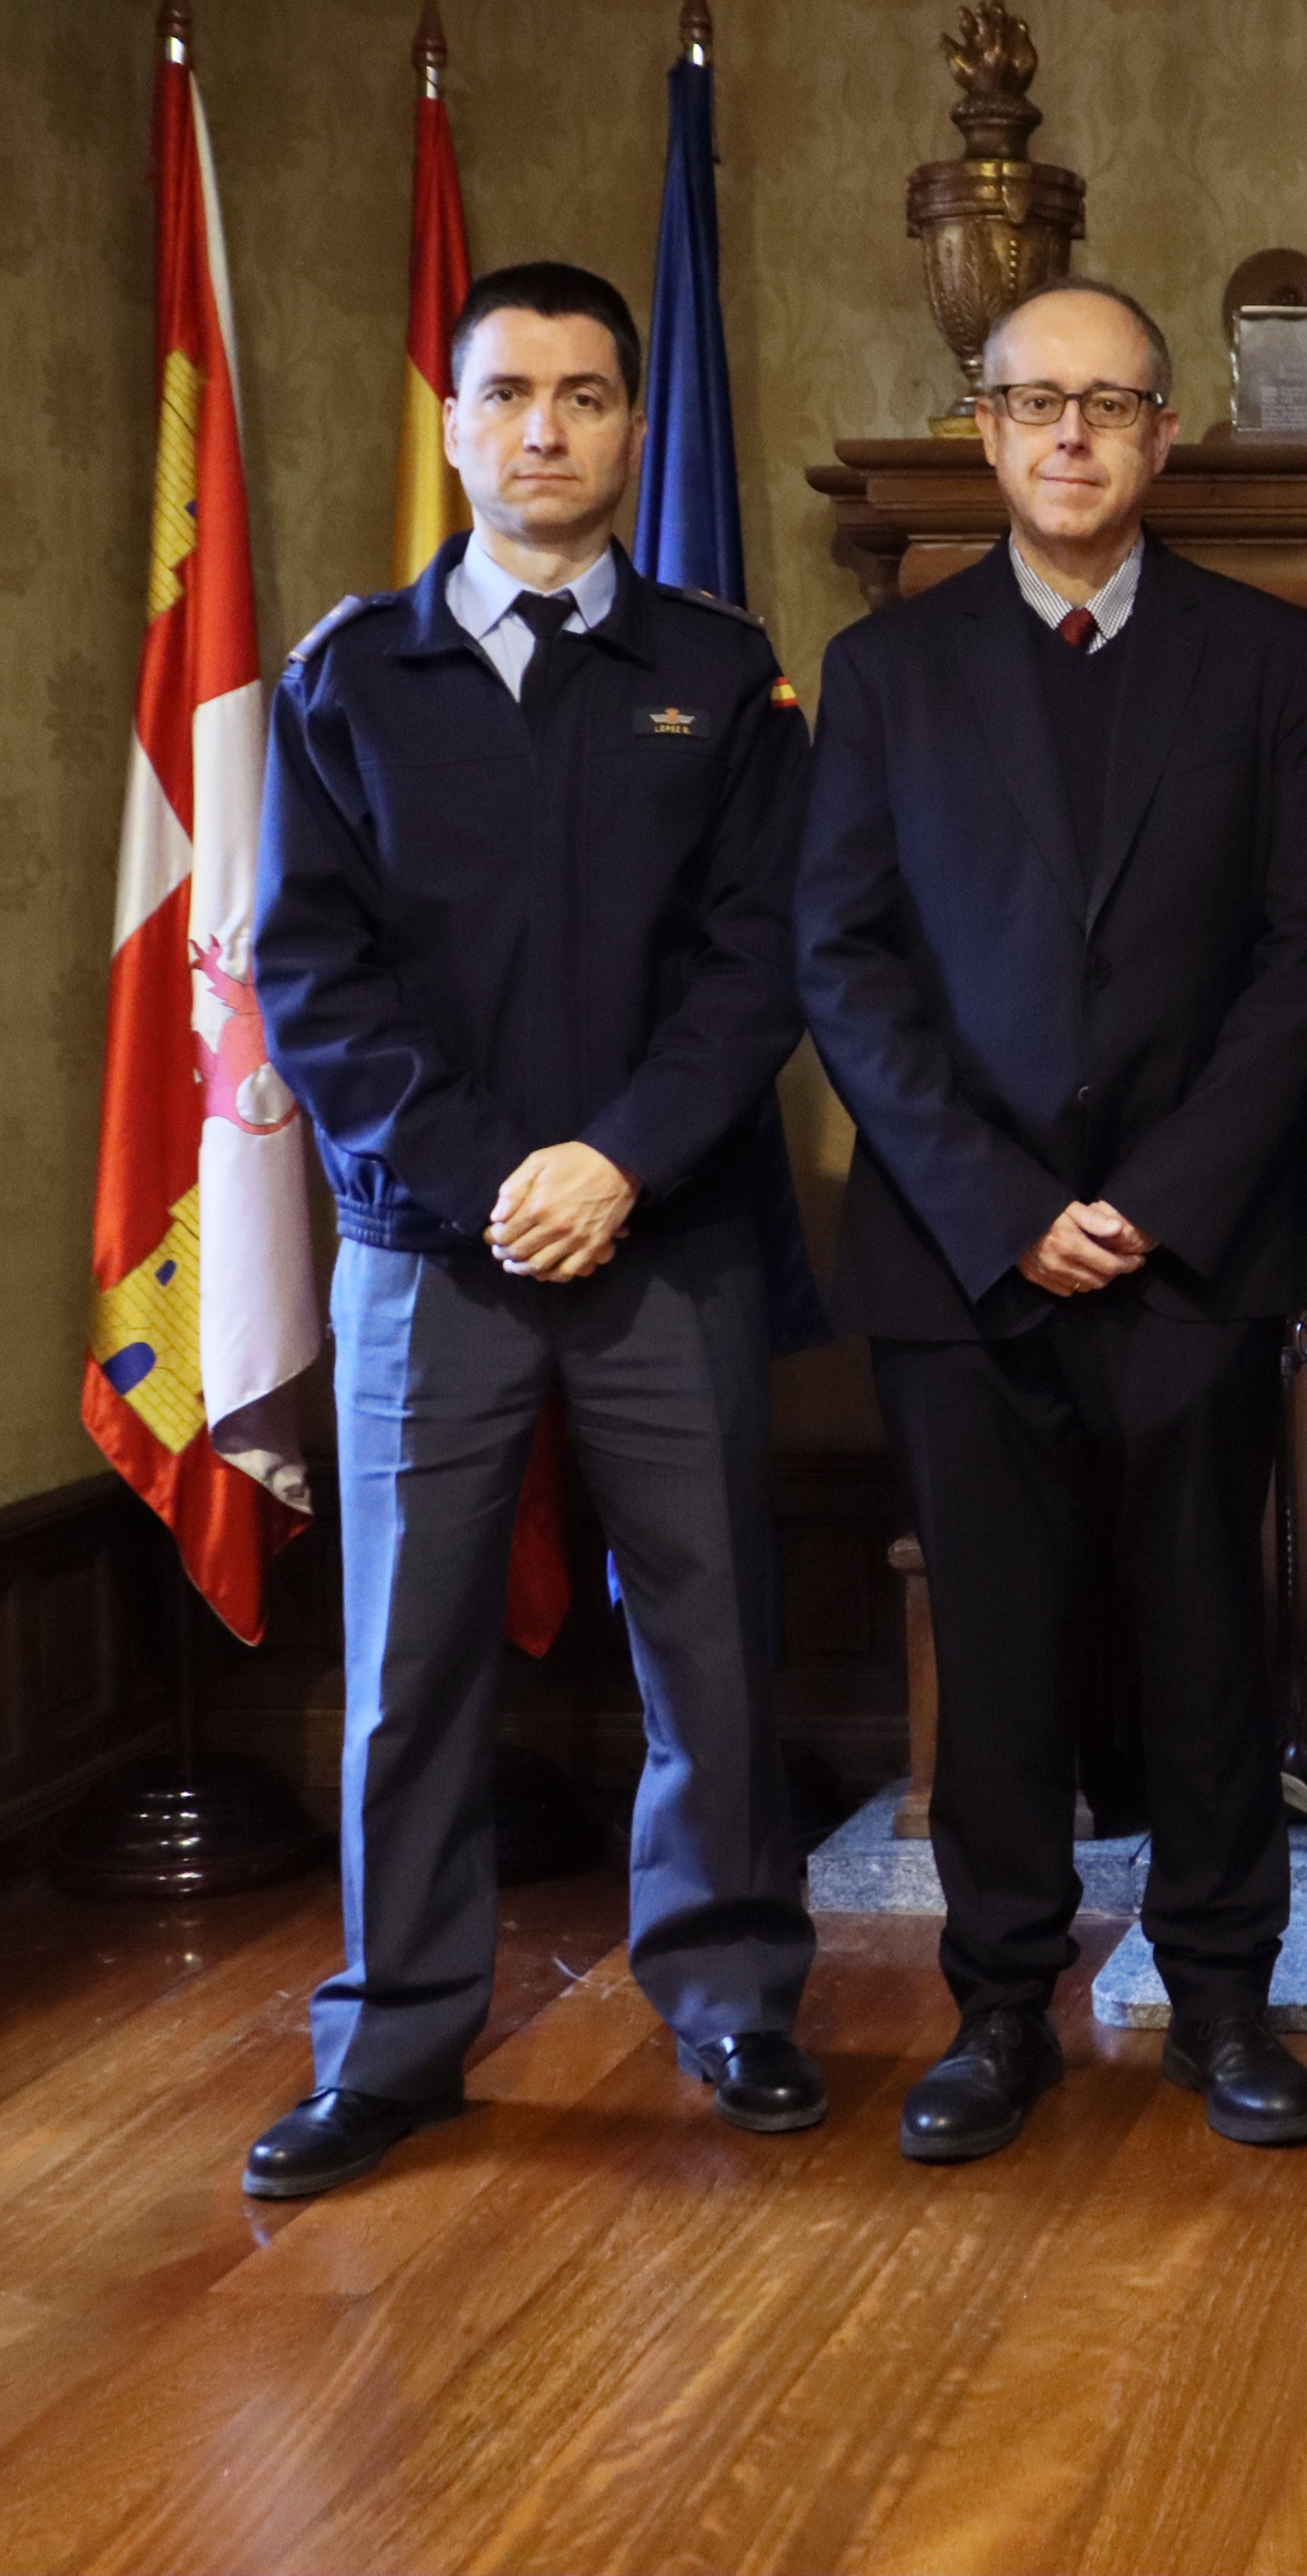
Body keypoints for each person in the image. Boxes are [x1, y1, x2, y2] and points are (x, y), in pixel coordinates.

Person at [242, 261, 821, 2197]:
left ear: (634, 429)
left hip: (668, 1239)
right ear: (457, 423)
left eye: (586, 394)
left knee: (712, 1644)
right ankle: (397, 2039)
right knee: (411, 1663)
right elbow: (310, 980)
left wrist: (619, 1164)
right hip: (432, 1247)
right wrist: (500, 1172)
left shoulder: (722, 677)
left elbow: (761, 970)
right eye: (510, 394)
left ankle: (734, 1999)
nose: (547, 428)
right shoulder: (346, 681)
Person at [797, 278, 1307, 2165]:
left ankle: (1221, 1999)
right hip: (969, 1259)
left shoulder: (1272, 658)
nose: (1070, 437)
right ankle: (997, 2010)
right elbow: (849, 960)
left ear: (1163, 438)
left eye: (1109, 406)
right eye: (1036, 404)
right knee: (1007, 1647)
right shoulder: (889, 670)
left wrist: (1159, 1199)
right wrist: (1010, 1204)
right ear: (982, 428)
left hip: (1198, 1250)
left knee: (1216, 1638)